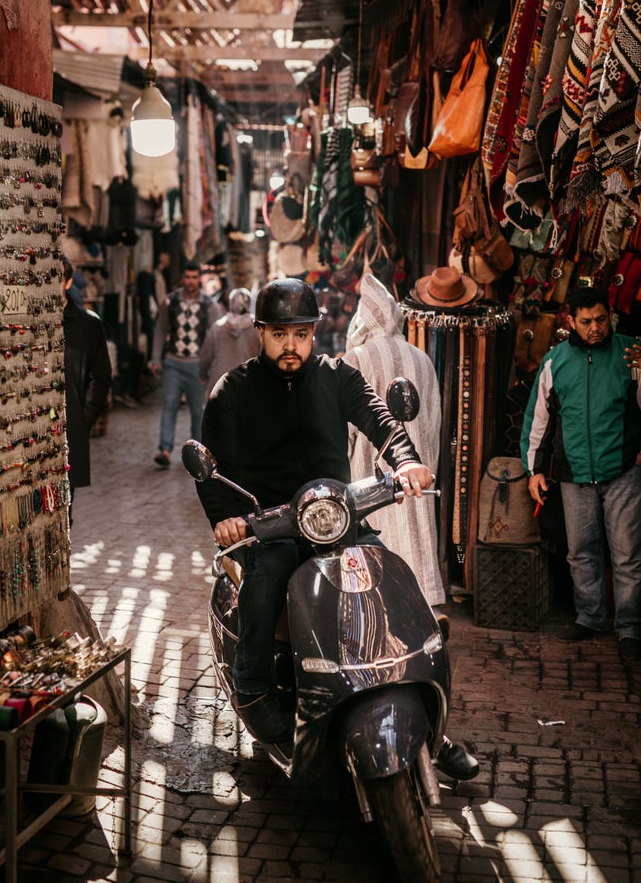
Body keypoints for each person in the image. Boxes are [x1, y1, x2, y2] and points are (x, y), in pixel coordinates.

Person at [195, 278, 478, 780]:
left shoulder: (335, 375)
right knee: (266, 583)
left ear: (313, 334)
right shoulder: (233, 391)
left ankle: (419, 704)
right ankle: (255, 686)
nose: (291, 345)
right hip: (272, 526)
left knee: (389, 578)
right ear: (261, 333)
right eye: (280, 334)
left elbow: (381, 420)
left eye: (300, 334)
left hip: (337, 515)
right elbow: (213, 466)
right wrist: (226, 518)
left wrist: (407, 461)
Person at [521, 286, 641, 662]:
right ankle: (589, 617)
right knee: (581, 553)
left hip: (622, 470)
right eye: (586, 321)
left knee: (627, 555)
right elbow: (538, 418)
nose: (595, 328)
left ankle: (631, 627)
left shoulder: (631, 353)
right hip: (574, 473)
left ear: (611, 316)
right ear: (571, 320)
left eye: (601, 319)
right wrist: (534, 470)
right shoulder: (556, 360)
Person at [343, 273, 445, 608]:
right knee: (416, 544)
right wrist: (425, 462)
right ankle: (423, 609)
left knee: (377, 550)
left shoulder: (356, 358)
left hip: (370, 475)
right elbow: (433, 423)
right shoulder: (422, 358)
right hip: (416, 472)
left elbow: (346, 429)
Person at [149, 261, 224, 468]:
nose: (190, 281)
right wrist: (156, 358)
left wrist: (211, 366)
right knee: (169, 404)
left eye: (194, 277)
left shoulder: (209, 305)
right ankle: (164, 449)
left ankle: (197, 454)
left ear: (198, 278)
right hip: (173, 361)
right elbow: (160, 330)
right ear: (182, 278)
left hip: (197, 365)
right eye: (187, 277)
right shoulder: (170, 301)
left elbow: (214, 338)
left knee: (197, 411)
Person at [62, 257, 112, 526]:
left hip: (70, 431)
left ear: (68, 282)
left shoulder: (88, 325)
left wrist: (84, 419)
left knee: (63, 509)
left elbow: (101, 376)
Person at [199, 287, 259, 399]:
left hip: (220, 382)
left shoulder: (218, 327)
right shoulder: (257, 328)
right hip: (247, 381)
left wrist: (202, 374)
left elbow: (206, 355)